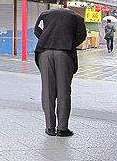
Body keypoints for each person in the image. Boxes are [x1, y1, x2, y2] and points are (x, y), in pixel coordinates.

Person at [34, 7, 86, 137]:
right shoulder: (77, 18)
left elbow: (36, 30)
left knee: (47, 89)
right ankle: (62, 128)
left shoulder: (45, 14)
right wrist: (68, 42)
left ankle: (50, 127)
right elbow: (81, 35)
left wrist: (45, 38)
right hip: (64, 52)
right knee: (63, 90)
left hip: (44, 52)